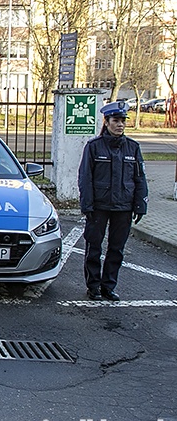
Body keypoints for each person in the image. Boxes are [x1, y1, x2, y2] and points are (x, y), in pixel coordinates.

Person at [78, 100, 148, 302]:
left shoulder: (132, 148)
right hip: (99, 206)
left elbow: (139, 178)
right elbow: (85, 178)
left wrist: (140, 204)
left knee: (116, 249)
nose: (120, 125)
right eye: (116, 121)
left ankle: (109, 286)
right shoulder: (94, 147)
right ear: (106, 122)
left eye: (122, 121)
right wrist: (87, 205)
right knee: (94, 247)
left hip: (123, 207)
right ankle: (94, 287)